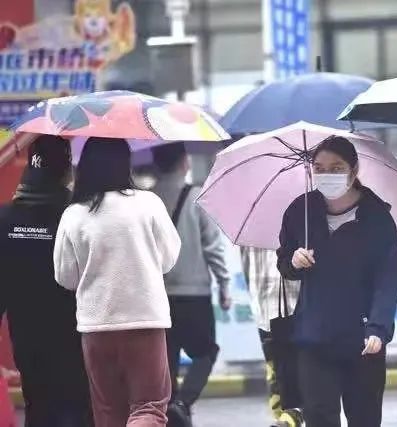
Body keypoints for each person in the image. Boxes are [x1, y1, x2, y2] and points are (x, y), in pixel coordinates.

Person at [53, 137, 181, 427]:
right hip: (145, 321)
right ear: (126, 163)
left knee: (108, 411)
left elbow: (65, 277)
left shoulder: (74, 213)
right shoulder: (148, 203)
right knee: (149, 408)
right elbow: (168, 259)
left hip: (96, 327)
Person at [277, 136, 397, 427]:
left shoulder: (377, 217)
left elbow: (388, 278)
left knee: (365, 418)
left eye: (336, 168)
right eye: (319, 168)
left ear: (354, 170)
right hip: (313, 338)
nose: (326, 175)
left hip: (363, 340)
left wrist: (378, 328)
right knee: (319, 416)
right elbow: (284, 264)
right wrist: (293, 261)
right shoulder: (299, 212)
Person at [0, 136, 93, 426]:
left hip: (26, 338)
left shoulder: (4, 219)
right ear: (66, 170)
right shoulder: (77, 218)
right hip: (75, 336)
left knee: (38, 406)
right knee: (76, 409)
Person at [151, 143, 231, 426]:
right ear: (184, 161)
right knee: (206, 351)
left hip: (156, 297)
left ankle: (171, 411)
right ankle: (183, 403)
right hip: (194, 294)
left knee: (166, 359)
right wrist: (224, 284)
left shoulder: (146, 200)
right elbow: (213, 247)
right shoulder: (198, 197)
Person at [240, 247, 304, 427]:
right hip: (272, 305)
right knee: (277, 365)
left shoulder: (253, 231)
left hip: (277, 303)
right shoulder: (299, 228)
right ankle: (287, 416)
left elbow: (246, 266)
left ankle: (291, 415)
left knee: (284, 365)